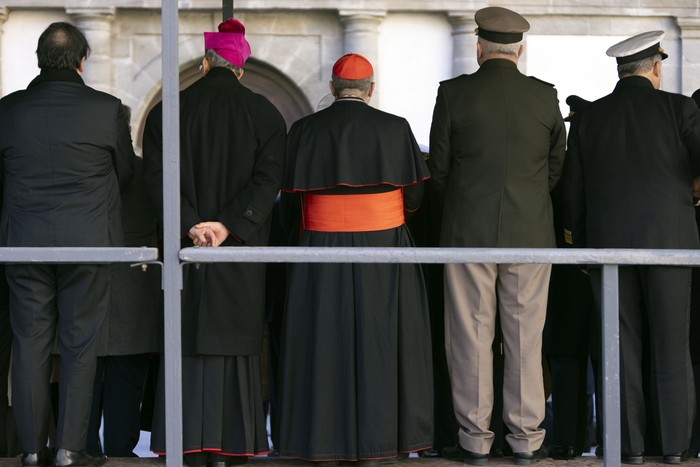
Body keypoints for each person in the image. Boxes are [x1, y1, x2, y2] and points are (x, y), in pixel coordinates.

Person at [142, 18, 286, 467]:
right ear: (240, 69)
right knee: (236, 344)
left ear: (206, 64)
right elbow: (268, 182)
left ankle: (181, 445)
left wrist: (191, 226)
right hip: (239, 249)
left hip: (186, 250)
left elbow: (156, 178)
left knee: (182, 340)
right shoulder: (265, 113)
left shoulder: (169, 109)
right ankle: (233, 446)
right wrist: (227, 225)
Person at [278, 53, 433, 463]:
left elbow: (290, 202)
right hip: (385, 247)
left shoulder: (305, 129)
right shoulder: (396, 128)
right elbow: (415, 196)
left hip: (319, 247)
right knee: (383, 341)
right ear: (371, 89)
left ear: (331, 88)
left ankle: (321, 442)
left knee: (322, 341)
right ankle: (383, 442)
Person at [428, 6, 566, 465]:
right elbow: (553, 170)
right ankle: (526, 440)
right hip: (530, 234)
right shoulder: (545, 97)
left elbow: (440, 172)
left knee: (470, 335)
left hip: (468, 233)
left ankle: (475, 439)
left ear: (479, 47)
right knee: (527, 336)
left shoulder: (453, 94)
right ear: (519, 50)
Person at [0, 21, 135, 467]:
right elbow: (127, 175)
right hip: (89, 244)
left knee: (29, 344)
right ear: (82, 60)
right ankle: (70, 450)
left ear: (39, 60)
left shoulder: (7, 111)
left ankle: (32, 452)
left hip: (23, 245)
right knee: (80, 345)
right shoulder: (107, 108)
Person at [563, 30, 700, 465]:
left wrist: (582, 247)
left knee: (618, 350)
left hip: (608, 250)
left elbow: (573, 193)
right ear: (656, 67)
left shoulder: (590, 117)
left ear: (619, 71)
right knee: (672, 347)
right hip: (671, 246)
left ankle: (629, 448)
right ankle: (676, 447)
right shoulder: (680, 108)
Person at [86, 105, 161, 458]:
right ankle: (120, 452)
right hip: (136, 283)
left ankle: (82, 448)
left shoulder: (83, 173)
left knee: (81, 374)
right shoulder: (149, 174)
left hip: (85, 280)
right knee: (127, 378)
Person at [544, 95, 599, 460]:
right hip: (596, 272)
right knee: (606, 357)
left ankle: (568, 440)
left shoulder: (559, 168)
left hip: (568, 275)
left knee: (567, 359)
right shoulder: (608, 163)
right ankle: (612, 440)